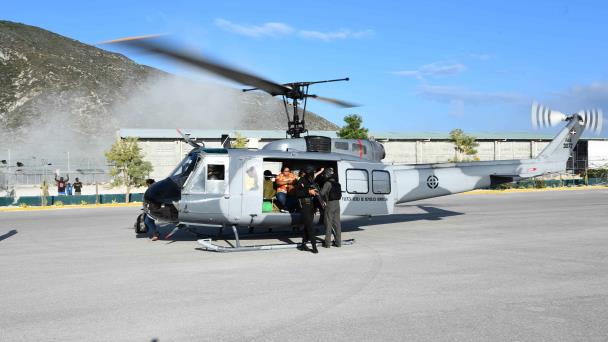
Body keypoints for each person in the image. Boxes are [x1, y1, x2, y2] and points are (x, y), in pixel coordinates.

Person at [295, 165, 321, 254]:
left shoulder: (311, 180)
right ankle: (314, 246)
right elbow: (297, 193)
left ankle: (303, 244)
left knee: (307, 226)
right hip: (304, 205)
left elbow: (316, 192)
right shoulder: (301, 180)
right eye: (312, 172)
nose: (313, 173)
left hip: (311, 205)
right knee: (310, 226)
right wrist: (308, 192)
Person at [320, 168, 342, 248]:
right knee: (337, 224)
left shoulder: (327, 183)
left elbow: (322, 193)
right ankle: (338, 243)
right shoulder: (337, 183)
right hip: (337, 204)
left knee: (328, 223)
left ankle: (327, 243)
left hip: (330, 204)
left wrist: (317, 191)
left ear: (327, 175)